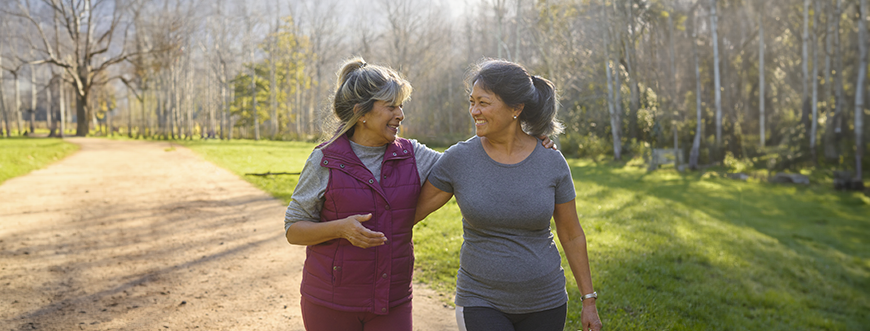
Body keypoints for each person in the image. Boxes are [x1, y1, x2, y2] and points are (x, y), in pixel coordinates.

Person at [283, 57, 557, 331]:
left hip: (393, 301)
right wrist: (340, 229)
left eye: (401, 106)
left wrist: (530, 143)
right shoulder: (324, 159)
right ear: (361, 112)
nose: (400, 115)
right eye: (391, 107)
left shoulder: (413, 155)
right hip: (330, 303)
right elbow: (293, 229)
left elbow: (467, 166)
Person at [414, 59, 603, 331]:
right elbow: (408, 214)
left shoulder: (551, 161)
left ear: (516, 108)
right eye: (472, 102)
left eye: (484, 102)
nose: (474, 111)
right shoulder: (459, 159)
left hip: (546, 301)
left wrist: (588, 300)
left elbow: (572, 234)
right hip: (480, 300)